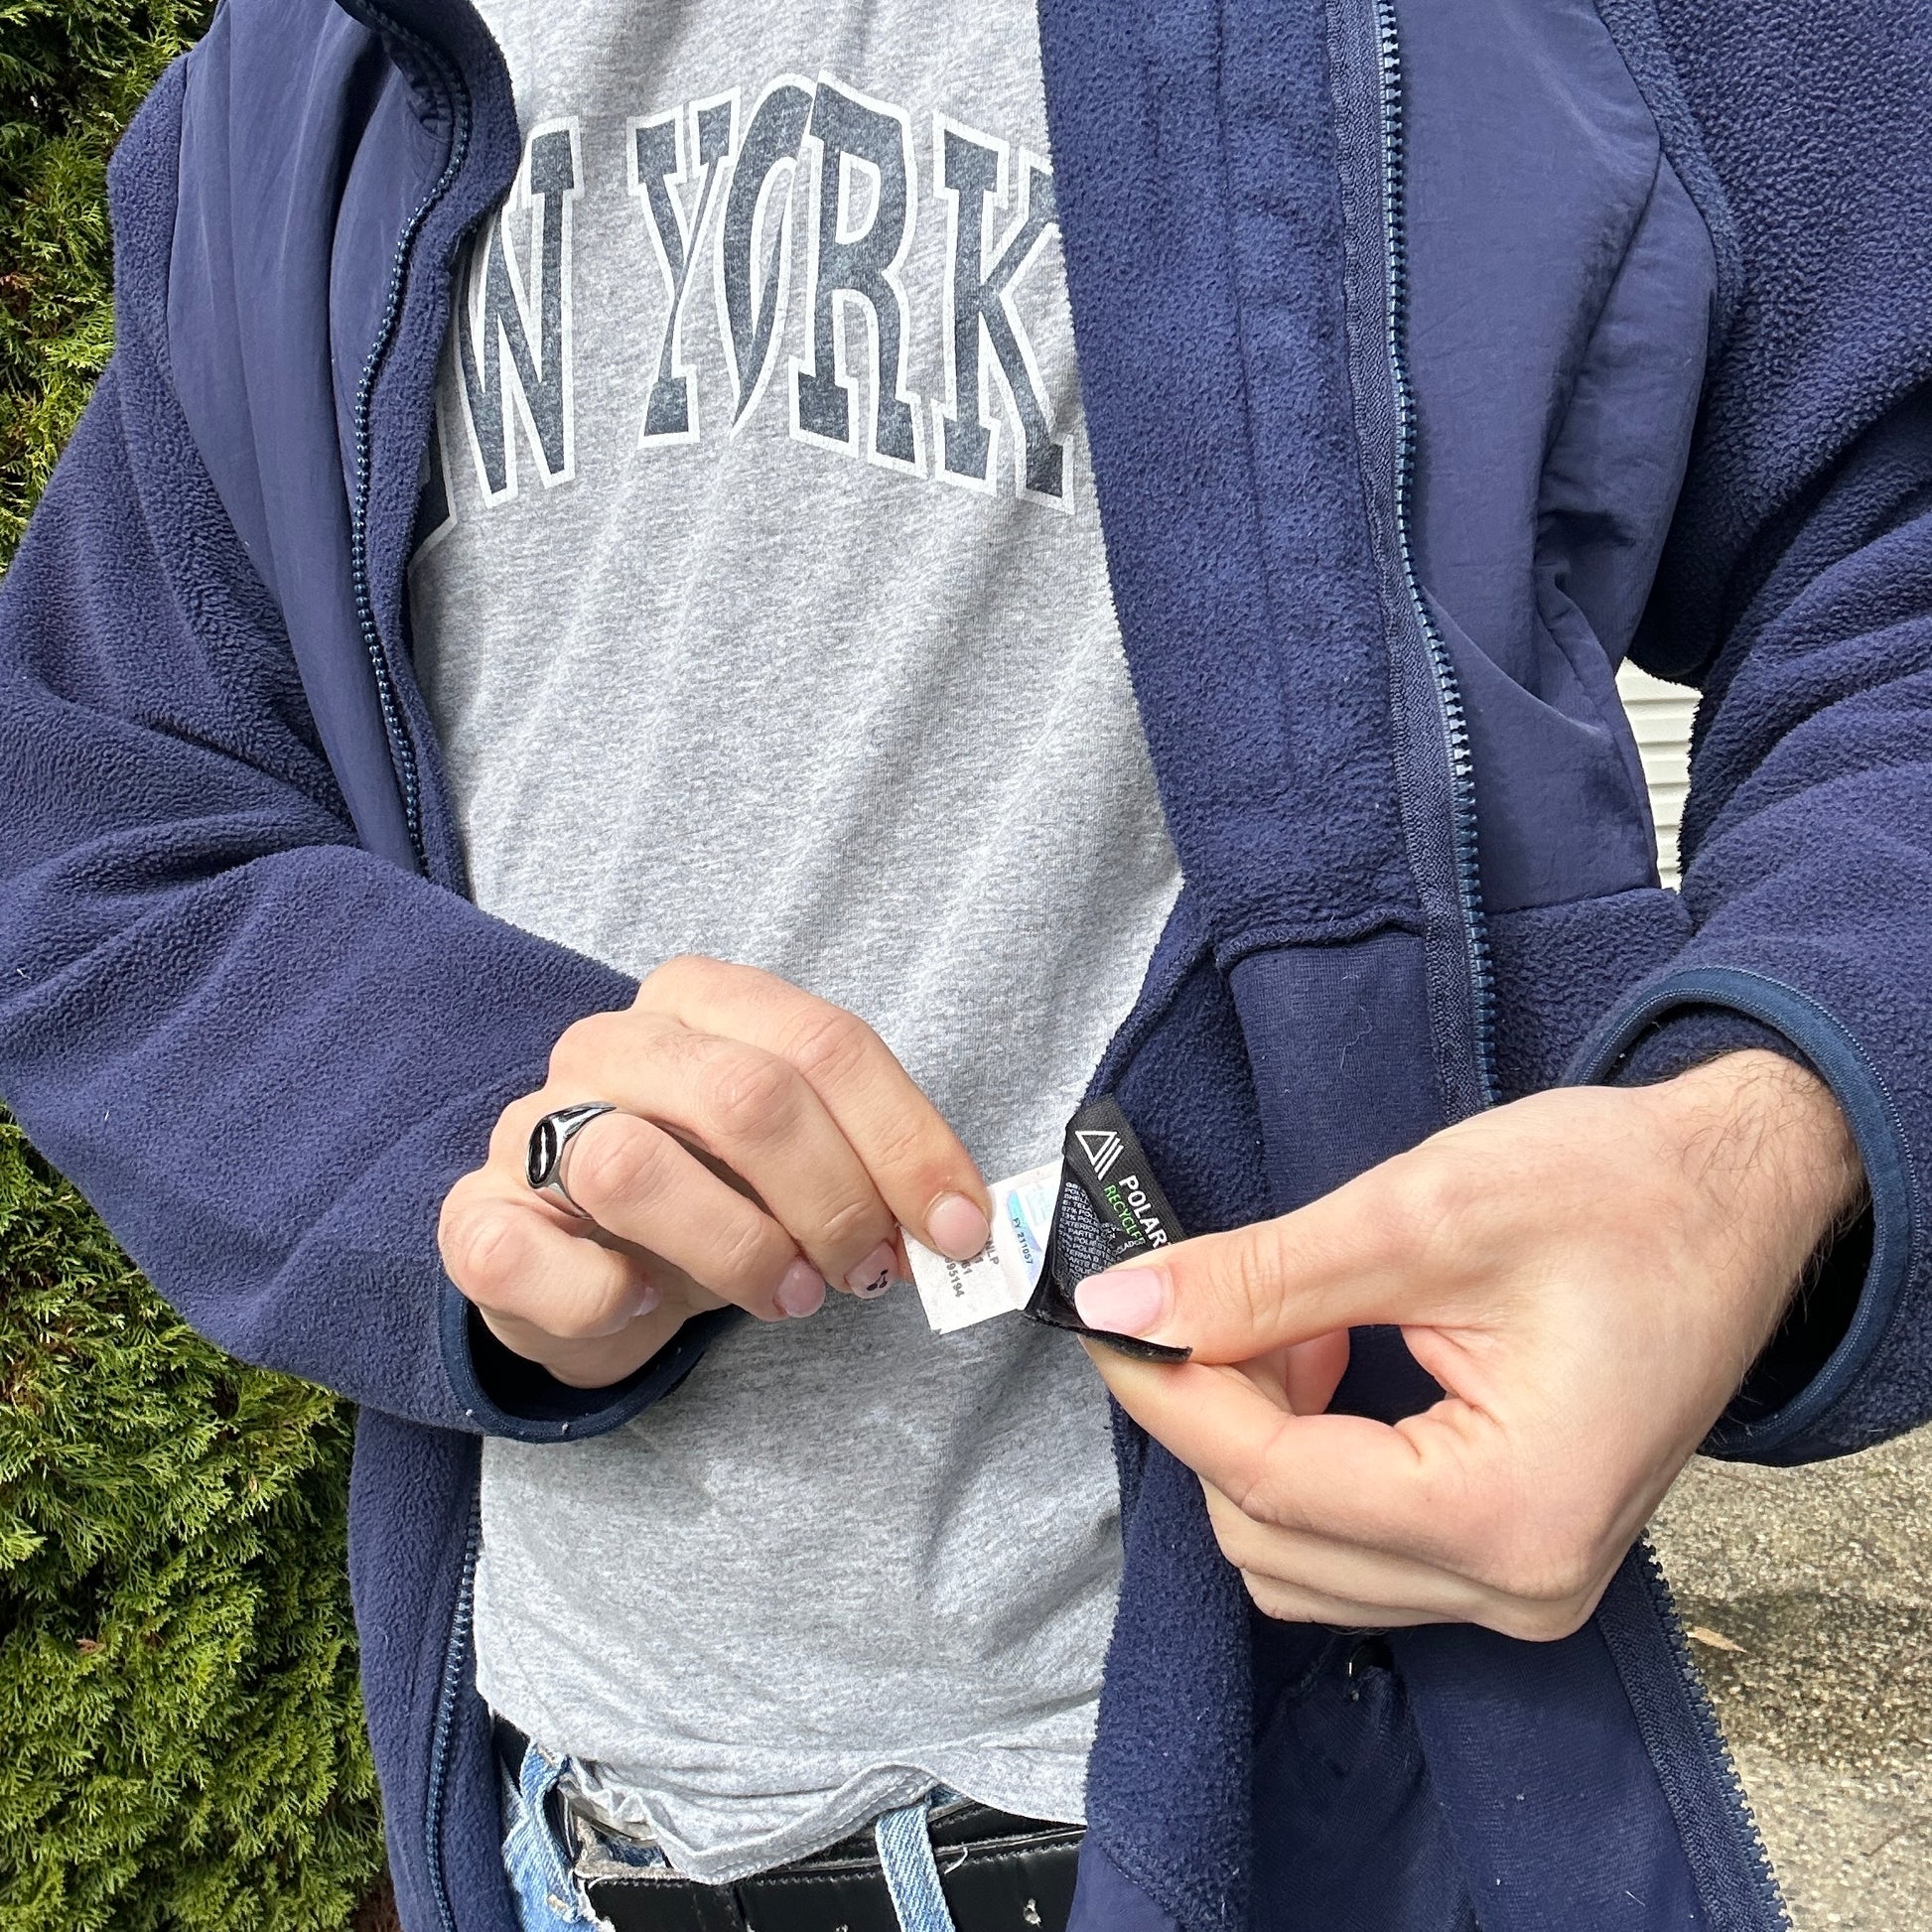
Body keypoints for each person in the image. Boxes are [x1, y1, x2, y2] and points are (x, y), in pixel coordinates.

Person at [0, 0, 1924, 1925]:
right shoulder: (301, 71)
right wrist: (498, 1134)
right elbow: (101, 813)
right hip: (555, 1824)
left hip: (1336, 1814)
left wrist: (1770, 1132)